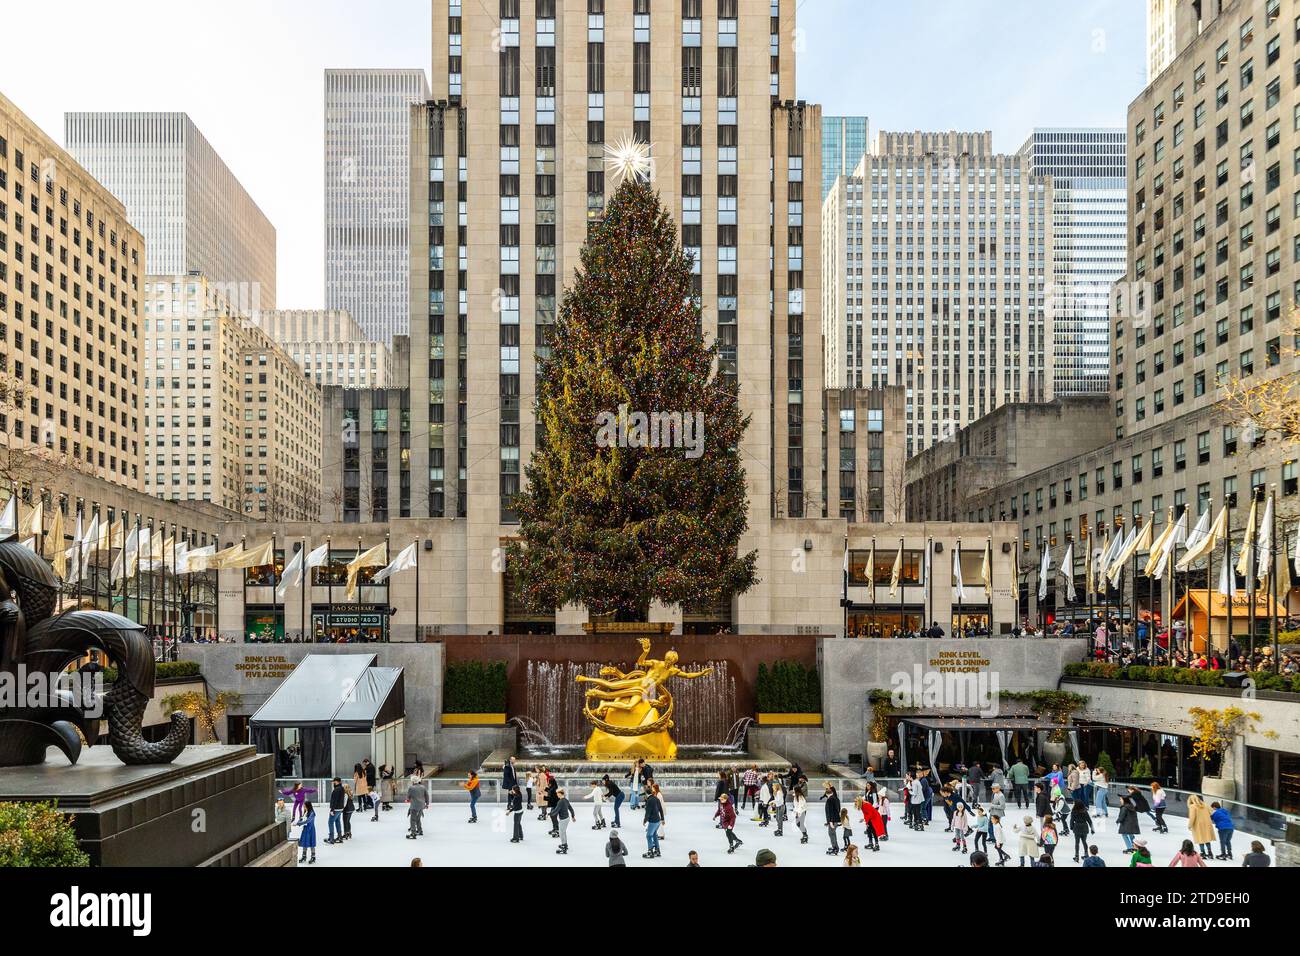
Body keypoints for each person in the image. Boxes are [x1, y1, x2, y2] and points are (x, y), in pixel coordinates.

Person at [642, 784, 665, 859]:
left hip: (653, 821)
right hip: (658, 821)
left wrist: (644, 821)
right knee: (654, 834)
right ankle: (657, 850)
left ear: (646, 793)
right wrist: (662, 818)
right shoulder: (656, 798)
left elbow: (647, 812)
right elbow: (660, 809)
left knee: (648, 836)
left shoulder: (649, 800)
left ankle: (650, 851)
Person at [553, 788, 575, 854]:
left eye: (557, 793)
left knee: (561, 833)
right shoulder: (566, 800)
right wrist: (573, 816)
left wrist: (549, 814)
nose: (556, 795)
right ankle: (565, 844)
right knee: (563, 832)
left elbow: (556, 810)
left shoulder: (560, 801)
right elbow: (571, 808)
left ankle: (564, 847)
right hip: (567, 818)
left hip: (563, 819)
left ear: (560, 793)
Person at [406, 774, 428, 839]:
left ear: (413, 781)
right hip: (421, 805)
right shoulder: (423, 787)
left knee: (412, 819)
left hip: (414, 806)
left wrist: (407, 800)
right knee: (418, 818)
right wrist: (427, 804)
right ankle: (420, 830)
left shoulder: (411, 788)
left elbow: (408, 797)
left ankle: (413, 833)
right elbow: (427, 796)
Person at [822, 783, 842, 855]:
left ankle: (835, 848)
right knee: (832, 833)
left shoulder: (830, 800)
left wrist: (830, 821)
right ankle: (835, 847)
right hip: (835, 819)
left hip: (833, 820)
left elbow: (830, 812)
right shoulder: (835, 798)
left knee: (831, 833)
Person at [326, 777, 346, 844]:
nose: (333, 783)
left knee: (330, 822)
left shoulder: (336, 790)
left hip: (336, 809)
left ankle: (331, 838)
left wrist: (332, 809)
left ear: (338, 782)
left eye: (334, 782)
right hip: (340, 808)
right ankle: (340, 837)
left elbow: (335, 800)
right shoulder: (342, 788)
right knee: (337, 821)